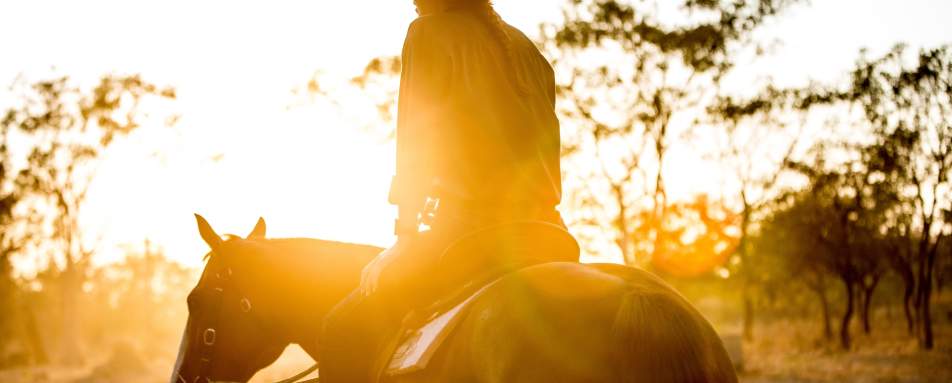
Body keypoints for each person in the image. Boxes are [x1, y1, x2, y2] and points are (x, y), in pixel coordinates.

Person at [319, 1, 568, 381]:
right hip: (550, 233)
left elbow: (416, 139)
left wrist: (404, 237)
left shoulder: (427, 33)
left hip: (470, 235)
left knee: (341, 328)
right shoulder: (527, 48)